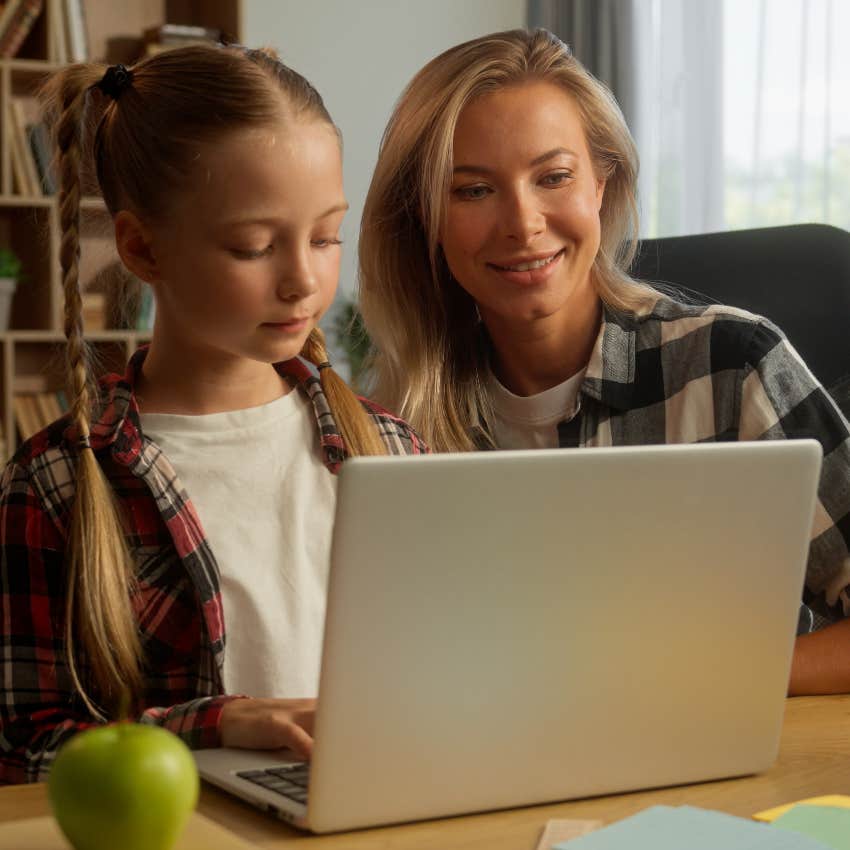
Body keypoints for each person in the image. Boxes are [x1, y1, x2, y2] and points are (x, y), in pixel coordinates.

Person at [358, 29, 850, 694]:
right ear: (424, 218)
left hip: (736, 769)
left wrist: (696, 679)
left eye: (553, 177)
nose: (523, 223)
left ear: (601, 183)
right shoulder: (393, 420)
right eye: (473, 190)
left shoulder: (730, 365)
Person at [0, 45, 426, 784]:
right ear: (140, 247)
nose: (304, 279)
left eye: (326, 237)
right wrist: (216, 724)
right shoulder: (57, 488)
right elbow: (22, 752)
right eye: (254, 246)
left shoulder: (392, 452)